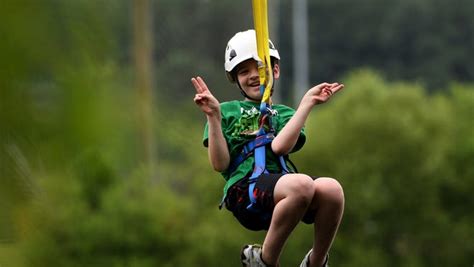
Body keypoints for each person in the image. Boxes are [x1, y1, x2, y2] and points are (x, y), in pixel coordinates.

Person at [191, 29, 345, 267]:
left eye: (260, 69)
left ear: (275, 71)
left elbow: (281, 147)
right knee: (302, 184)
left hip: (283, 189)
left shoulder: (284, 114)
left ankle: (316, 261)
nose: (253, 76)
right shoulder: (226, 111)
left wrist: (307, 104)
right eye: (244, 71)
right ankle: (264, 261)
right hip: (245, 192)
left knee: (332, 190)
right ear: (236, 79)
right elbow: (219, 164)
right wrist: (213, 117)